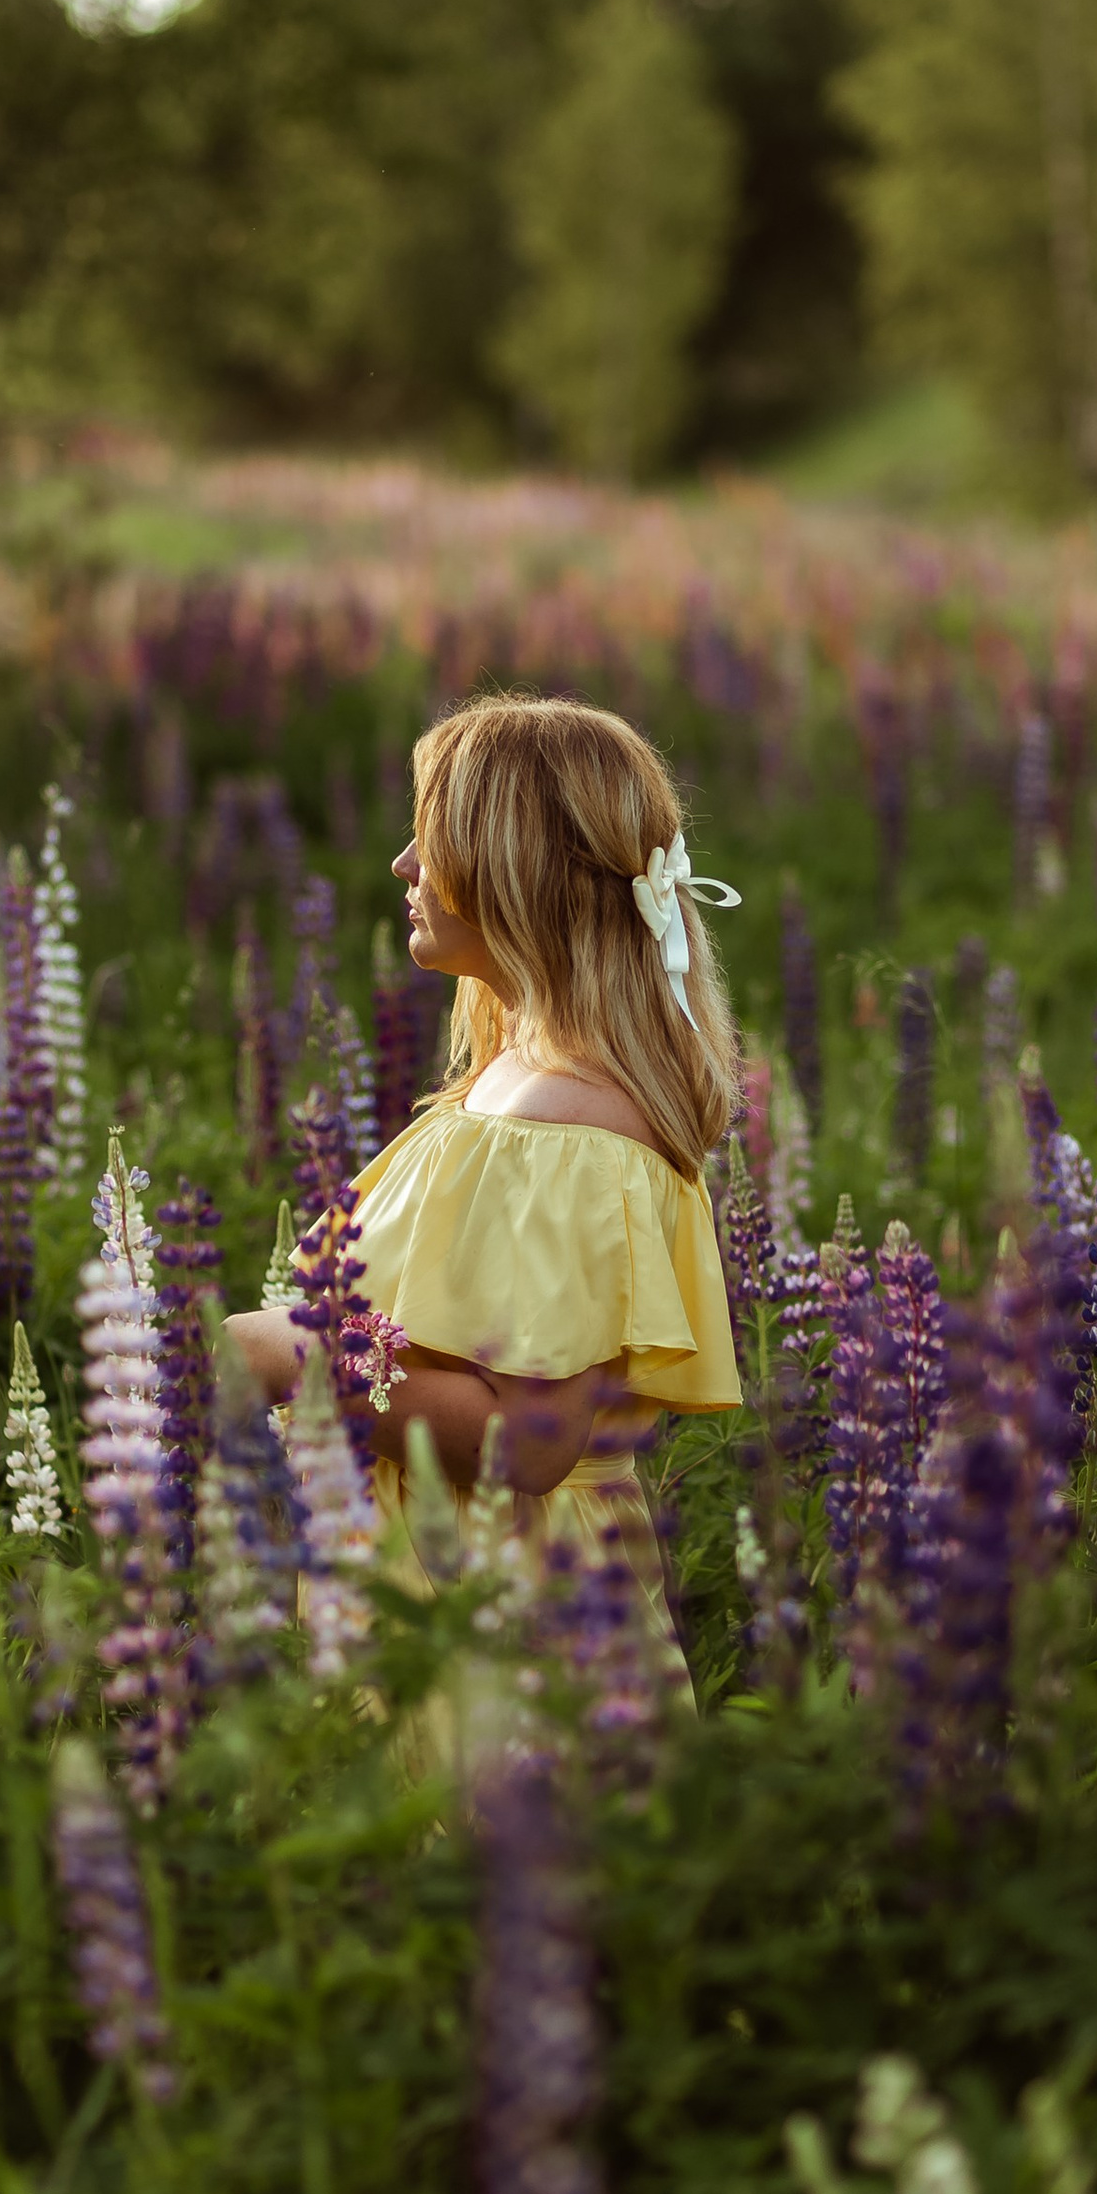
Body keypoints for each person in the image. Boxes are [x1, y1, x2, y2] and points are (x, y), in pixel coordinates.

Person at [224, 691, 743, 1679]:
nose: (403, 866)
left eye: (431, 840)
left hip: (499, 1628)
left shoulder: (571, 1125)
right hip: (428, 1593)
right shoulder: (518, 1083)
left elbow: (531, 1443)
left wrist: (297, 1354)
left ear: (514, 875)